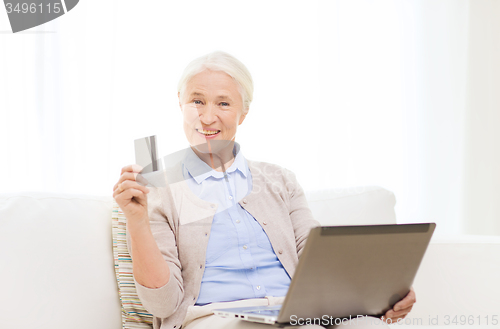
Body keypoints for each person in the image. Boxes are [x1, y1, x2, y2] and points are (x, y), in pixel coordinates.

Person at [112, 51, 416, 329]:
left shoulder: (280, 179)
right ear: (180, 103)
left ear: (243, 113)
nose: (207, 117)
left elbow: (315, 258)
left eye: (223, 103)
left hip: (297, 315)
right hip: (216, 319)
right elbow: (162, 305)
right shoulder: (156, 190)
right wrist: (137, 222)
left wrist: (379, 293)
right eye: (197, 101)